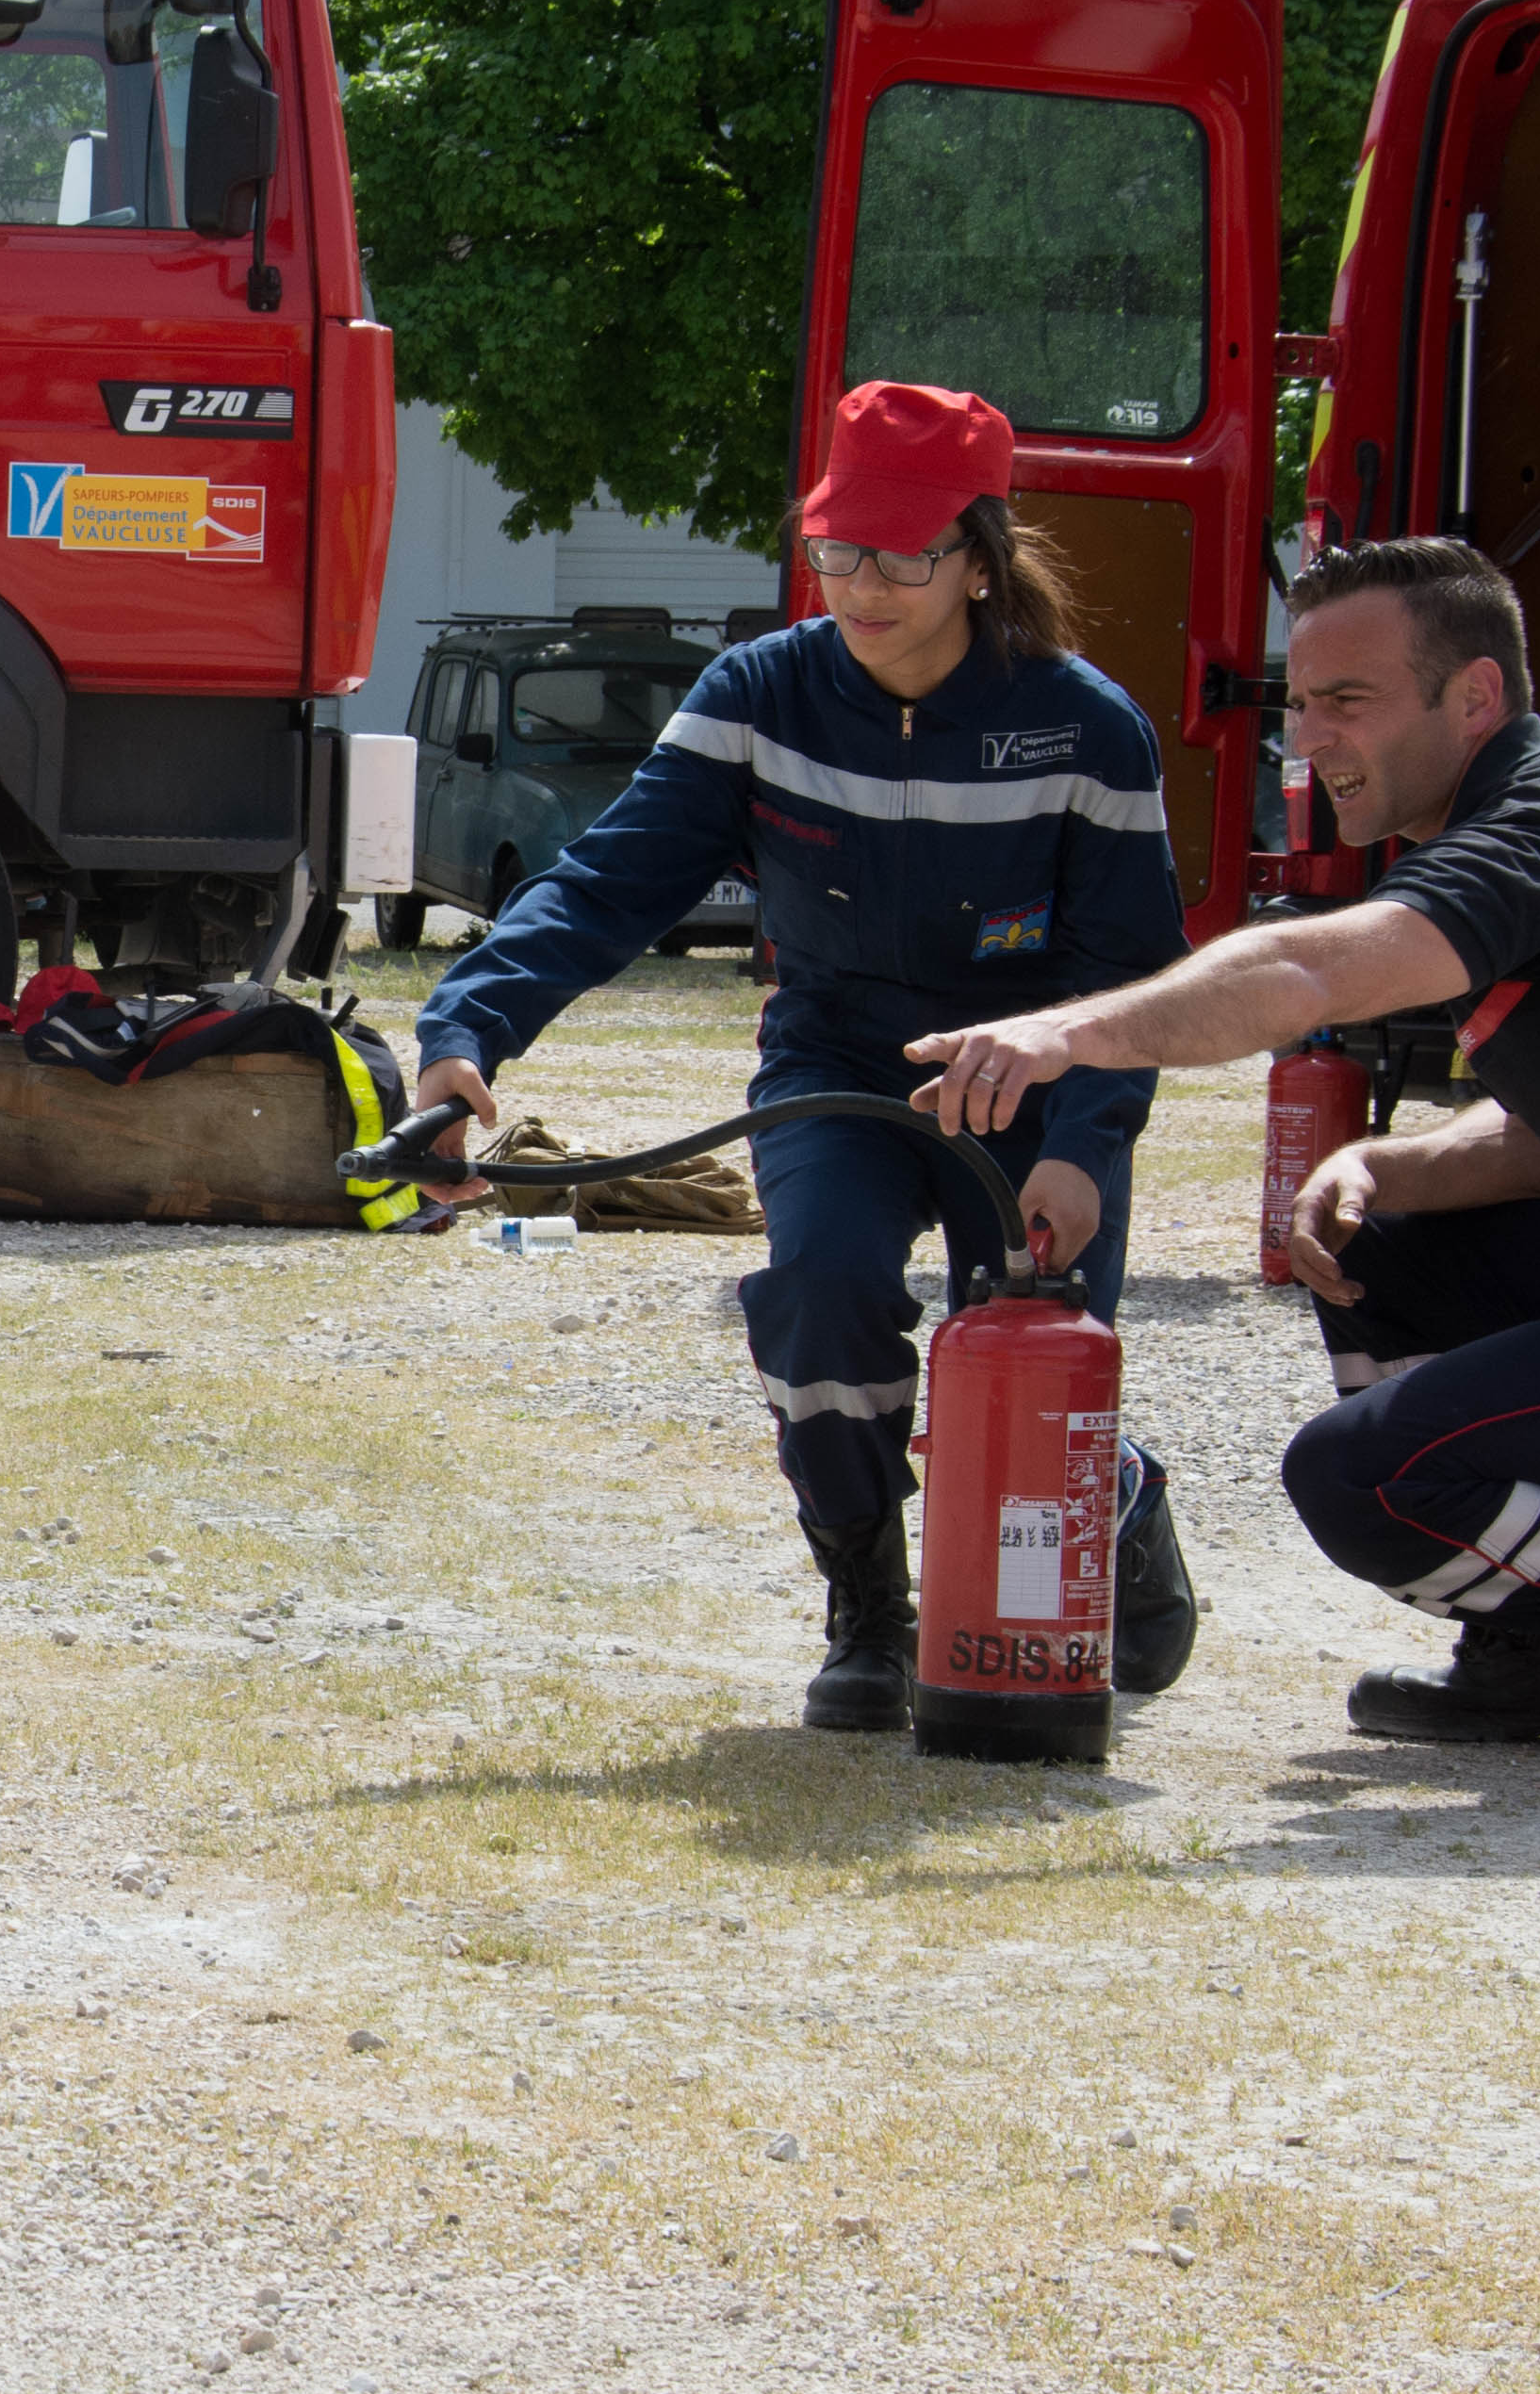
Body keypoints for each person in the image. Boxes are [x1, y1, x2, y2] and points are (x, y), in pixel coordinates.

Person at [903, 535, 1540, 1808]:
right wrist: (1388, 1169)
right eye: (1302, 704)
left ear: (1476, 702)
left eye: (1350, 702)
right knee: (1385, 1245)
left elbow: (1306, 976)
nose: (1313, 739)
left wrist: (1066, 1034)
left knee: (1360, 1476)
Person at [398, 381, 1198, 1746]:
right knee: (818, 1289)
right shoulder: (757, 697)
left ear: (981, 558)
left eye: (901, 555)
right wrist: (466, 1031)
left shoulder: (1088, 728)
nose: (862, 586)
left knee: (1034, 1353)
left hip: (1036, 1077)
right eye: (837, 550)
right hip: (837, 1060)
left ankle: (1111, 1495)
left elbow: (1132, 979)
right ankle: (868, 1610)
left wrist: (1086, 1145)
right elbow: (605, 886)